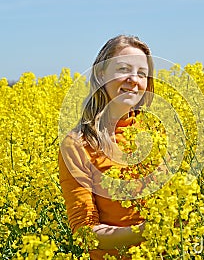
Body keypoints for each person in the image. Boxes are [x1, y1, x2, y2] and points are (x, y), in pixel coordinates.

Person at [59, 35, 155, 259]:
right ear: (101, 74)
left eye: (142, 73)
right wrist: (145, 232)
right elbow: (85, 233)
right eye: (124, 69)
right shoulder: (78, 145)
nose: (134, 79)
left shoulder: (158, 133)